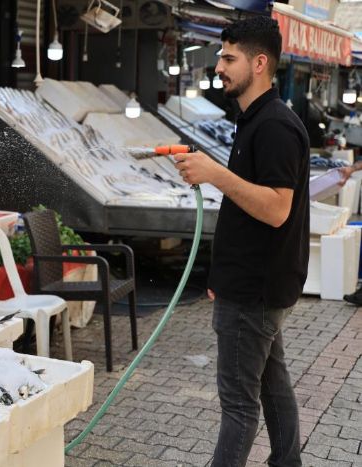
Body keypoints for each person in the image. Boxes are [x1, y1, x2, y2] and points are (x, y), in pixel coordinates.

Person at [174, 17, 309, 467]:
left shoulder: (274, 126)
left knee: (238, 405)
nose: (219, 67)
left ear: (260, 62)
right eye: (220, 57)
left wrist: (216, 174)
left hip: (254, 290)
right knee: (273, 385)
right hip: (252, 284)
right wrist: (222, 275)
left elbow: (276, 209)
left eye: (229, 58)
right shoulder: (254, 119)